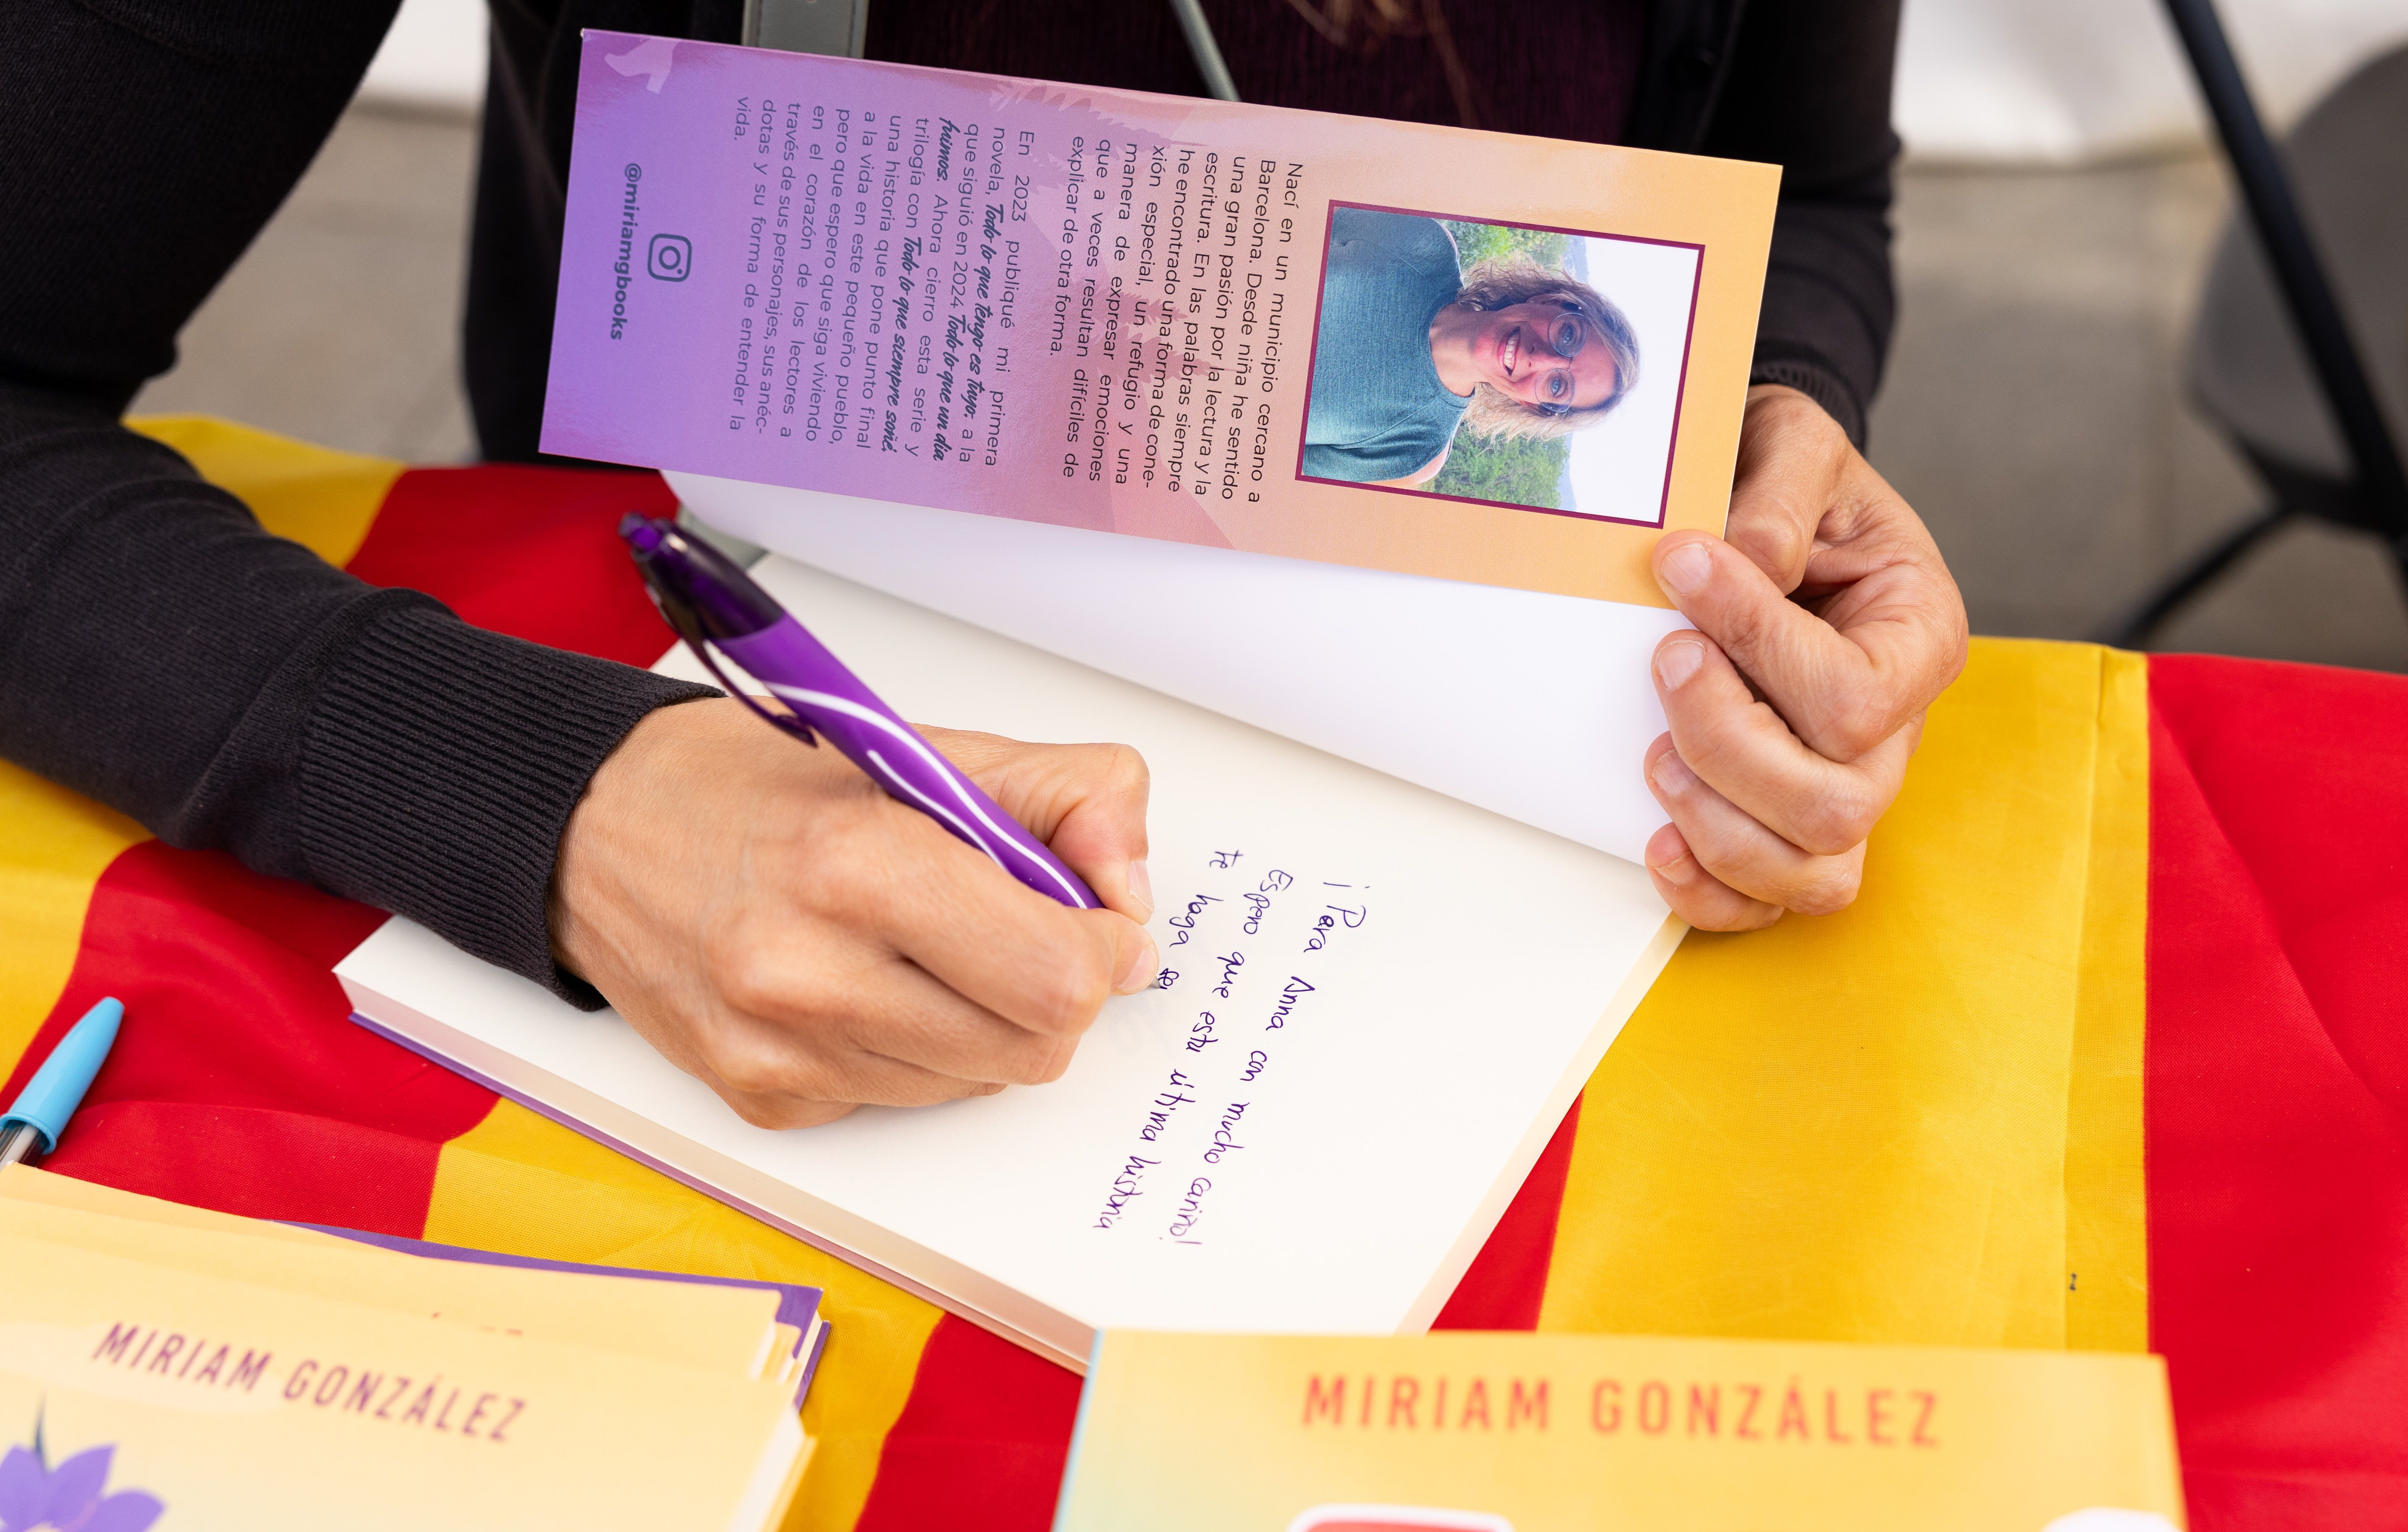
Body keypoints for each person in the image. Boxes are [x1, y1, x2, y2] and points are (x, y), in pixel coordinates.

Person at [0, 0, 1967, 1129]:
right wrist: (555, 791)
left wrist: (1763, 426)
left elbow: (1824, 198)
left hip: (1486, 888)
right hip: (696, 744)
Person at [1299, 207, 1641, 488]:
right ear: (1550, 300)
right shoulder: (1423, 243)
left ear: (1531, 404)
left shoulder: (1413, 452)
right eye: (1568, 336)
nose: (1541, 358)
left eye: (1557, 385)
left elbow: (1265, 464)